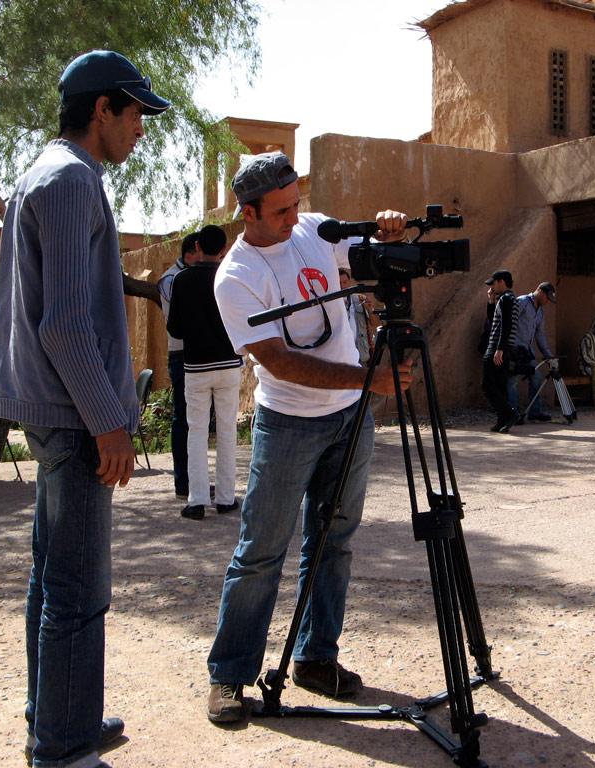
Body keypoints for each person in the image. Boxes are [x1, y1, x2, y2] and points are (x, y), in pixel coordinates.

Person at [0, 50, 170, 768]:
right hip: (74, 419)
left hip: (57, 413)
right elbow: (63, 324)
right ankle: (62, 746)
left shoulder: (50, 175)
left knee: (52, 577)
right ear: (102, 110)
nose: (141, 130)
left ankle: (60, 715)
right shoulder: (69, 181)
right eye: (135, 114)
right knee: (77, 587)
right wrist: (109, 422)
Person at [206, 151, 412, 724]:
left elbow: (369, 251)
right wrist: (371, 379)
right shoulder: (237, 276)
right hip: (290, 422)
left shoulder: (313, 228)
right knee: (261, 549)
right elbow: (278, 361)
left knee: (334, 540)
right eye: (280, 211)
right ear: (247, 212)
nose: (293, 218)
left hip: (350, 416)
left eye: (297, 203)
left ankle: (316, 658)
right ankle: (229, 674)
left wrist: (389, 226)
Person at [166, 224, 243, 520]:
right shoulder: (230, 276)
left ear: (197, 246)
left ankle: (196, 500)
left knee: (195, 431)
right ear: (222, 249)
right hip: (228, 364)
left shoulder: (182, 280)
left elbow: (175, 328)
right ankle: (225, 498)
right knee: (226, 430)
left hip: (196, 365)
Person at [158, 232, 200, 497]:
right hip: (182, 353)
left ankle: (195, 481)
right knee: (183, 419)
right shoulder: (171, 279)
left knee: (196, 420)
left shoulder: (185, 277)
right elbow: (182, 316)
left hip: (197, 353)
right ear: (193, 251)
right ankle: (183, 482)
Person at [512, 282, 556, 423]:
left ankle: (534, 411)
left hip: (527, 351)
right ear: (539, 291)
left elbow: (540, 335)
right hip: (514, 349)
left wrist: (548, 355)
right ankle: (513, 414)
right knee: (512, 381)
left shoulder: (540, 312)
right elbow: (509, 323)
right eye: (547, 298)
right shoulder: (522, 302)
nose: (547, 301)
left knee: (536, 378)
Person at [481, 269, 520, 433]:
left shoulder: (507, 299)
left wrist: (499, 349)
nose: (492, 287)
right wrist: (491, 302)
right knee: (500, 386)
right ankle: (502, 420)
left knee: (487, 385)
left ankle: (509, 414)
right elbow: (493, 322)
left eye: (494, 283)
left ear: (501, 282)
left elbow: (506, 326)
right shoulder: (505, 300)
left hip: (498, 349)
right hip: (503, 348)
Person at [338, 266, 374, 365]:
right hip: (341, 356)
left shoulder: (360, 299)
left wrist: (369, 310)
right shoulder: (331, 304)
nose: (342, 286)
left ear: (349, 282)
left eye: (344, 282)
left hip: (360, 352)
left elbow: (374, 323)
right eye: (339, 283)